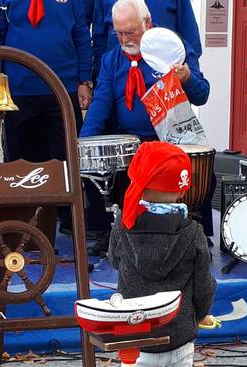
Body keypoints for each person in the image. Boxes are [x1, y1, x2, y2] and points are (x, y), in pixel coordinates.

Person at [108, 141, 216, 367]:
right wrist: (199, 314)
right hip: (180, 335)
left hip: (139, 337)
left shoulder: (124, 226)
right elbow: (204, 286)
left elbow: (114, 261)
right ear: (182, 188)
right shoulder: (193, 232)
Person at [81, 0, 211, 252]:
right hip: (131, 143)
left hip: (169, 141)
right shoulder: (111, 60)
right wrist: (83, 144)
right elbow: (101, 103)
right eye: (118, 33)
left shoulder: (175, 49)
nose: (123, 40)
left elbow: (202, 94)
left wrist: (187, 78)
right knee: (98, 161)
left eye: (129, 32)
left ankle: (193, 232)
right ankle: (110, 231)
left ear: (147, 23)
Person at [0, 0, 93, 231]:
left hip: (63, 88)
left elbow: (82, 35)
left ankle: (70, 220)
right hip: (18, 90)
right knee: (21, 161)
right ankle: (25, 221)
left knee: (66, 158)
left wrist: (84, 80)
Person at [91, 0, 202, 77]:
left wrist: (186, 77)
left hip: (164, 79)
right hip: (118, 78)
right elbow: (100, 39)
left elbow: (191, 38)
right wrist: (98, 79)